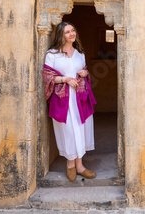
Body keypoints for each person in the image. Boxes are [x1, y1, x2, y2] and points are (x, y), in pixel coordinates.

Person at [43, 21, 97, 181]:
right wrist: (65, 79)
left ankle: (80, 166)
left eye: (73, 30)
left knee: (81, 129)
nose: (72, 34)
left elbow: (85, 71)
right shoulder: (52, 54)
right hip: (63, 100)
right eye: (67, 32)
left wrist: (84, 73)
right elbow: (47, 76)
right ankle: (70, 165)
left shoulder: (80, 53)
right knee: (68, 131)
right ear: (61, 35)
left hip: (80, 99)